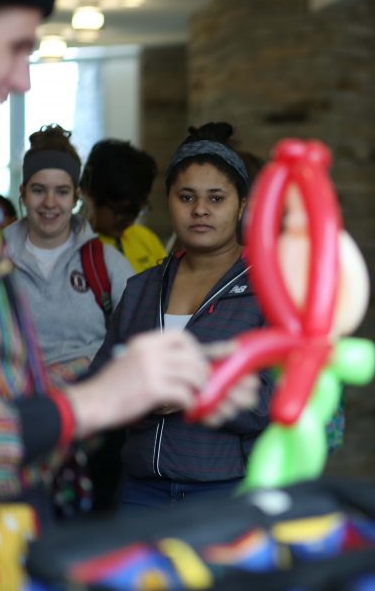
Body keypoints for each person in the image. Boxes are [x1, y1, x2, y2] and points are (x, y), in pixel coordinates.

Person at [0, 0, 257, 587]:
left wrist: (120, 388)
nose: (21, 78)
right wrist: (91, 402)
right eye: (14, 47)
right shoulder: (144, 285)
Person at [87, 122, 274, 509]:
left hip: (223, 489)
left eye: (216, 198)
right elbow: (101, 381)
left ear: (241, 205)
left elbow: (273, 404)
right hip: (140, 491)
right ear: (169, 200)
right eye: (186, 197)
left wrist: (193, 388)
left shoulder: (266, 291)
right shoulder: (142, 288)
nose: (200, 209)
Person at [4, 124, 134, 381]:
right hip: (12, 405)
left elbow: (136, 340)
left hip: (91, 408)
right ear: (23, 193)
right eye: (38, 190)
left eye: (62, 192)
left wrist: (82, 365)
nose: (49, 203)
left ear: (76, 196)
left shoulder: (106, 264)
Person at [79, 138, 166, 273]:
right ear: (89, 194)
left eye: (136, 210)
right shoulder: (73, 248)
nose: (129, 220)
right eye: (121, 211)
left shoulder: (146, 240)